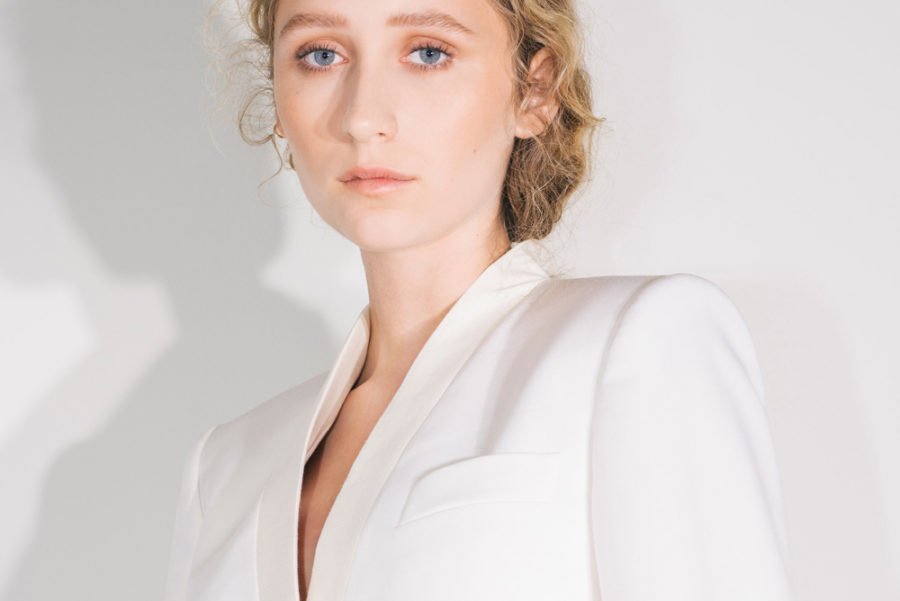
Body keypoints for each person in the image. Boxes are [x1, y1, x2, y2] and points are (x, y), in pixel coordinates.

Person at [164, 1, 795, 600]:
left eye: (428, 52)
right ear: (277, 95)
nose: (362, 117)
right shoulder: (225, 466)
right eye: (321, 55)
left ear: (535, 91)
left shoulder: (637, 344)